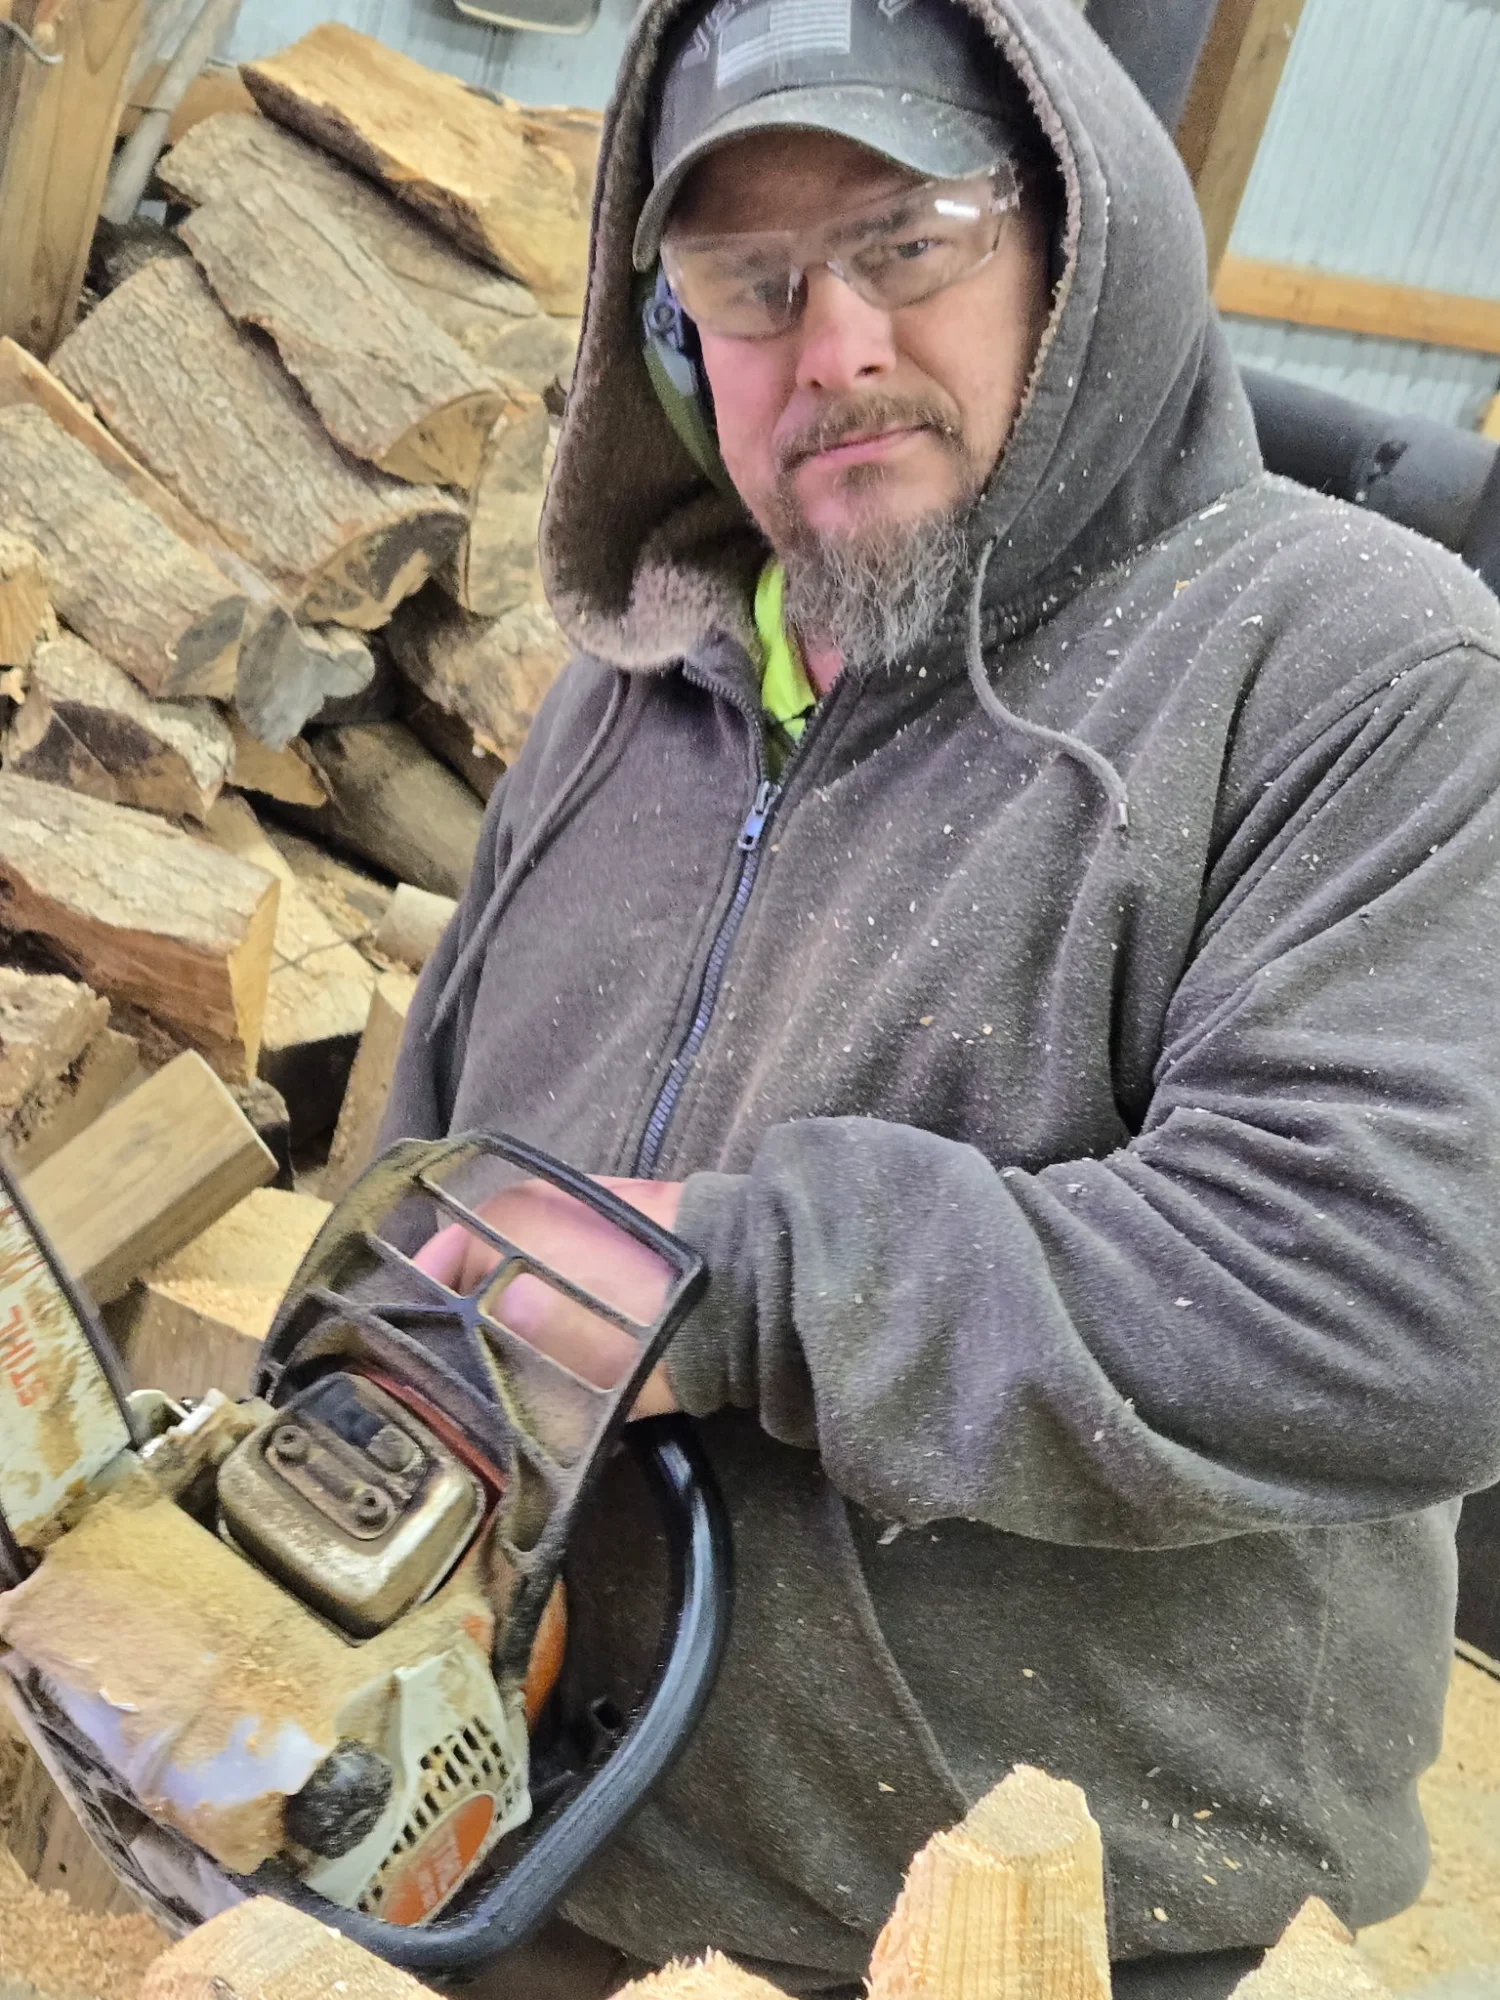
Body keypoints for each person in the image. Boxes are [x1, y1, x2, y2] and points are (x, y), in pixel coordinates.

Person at [383, 0, 1500, 1994]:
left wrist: (743, 1287)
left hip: (1033, 1928)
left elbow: (1402, 1297)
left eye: (909, 243)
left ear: (1073, 246)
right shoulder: (628, 689)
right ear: (670, 338)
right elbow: (434, 1180)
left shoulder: (1354, 669)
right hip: (528, 1852)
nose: (834, 347)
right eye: (750, 283)